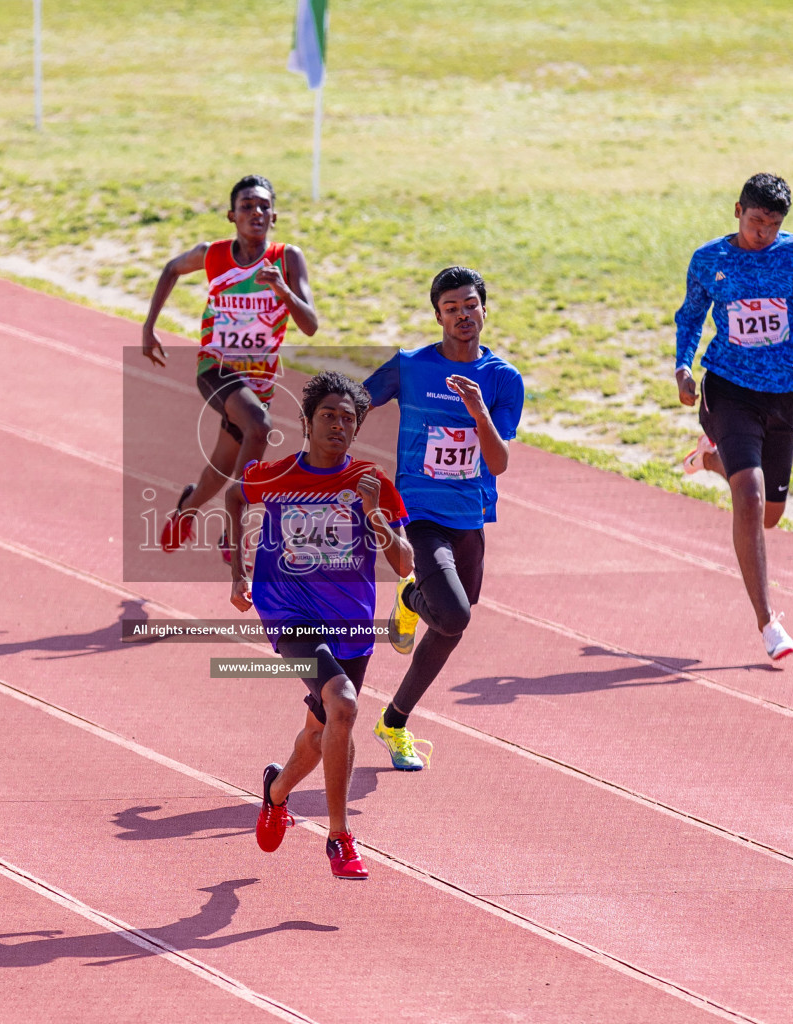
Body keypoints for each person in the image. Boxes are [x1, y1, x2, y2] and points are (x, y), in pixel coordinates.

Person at [226, 372, 412, 879]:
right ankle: (339, 837)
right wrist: (238, 569)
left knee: (323, 730)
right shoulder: (276, 475)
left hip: (349, 620)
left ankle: (276, 791)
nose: (337, 424)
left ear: (356, 430)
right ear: (307, 422)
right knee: (344, 703)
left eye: (347, 419)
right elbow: (236, 496)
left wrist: (373, 513)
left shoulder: (372, 482)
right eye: (327, 415)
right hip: (289, 613)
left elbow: (403, 563)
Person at [675, 173, 793, 662]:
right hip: (727, 387)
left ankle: (711, 463)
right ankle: (768, 623)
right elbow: (690, 316)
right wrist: (683, 367)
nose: (762, 233)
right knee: (748, 496)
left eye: (772, 225)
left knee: (768, 516)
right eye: (755, 222)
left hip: (784, 392)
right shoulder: (710, 260)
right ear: (737, 211)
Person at [362, 267, 524, 771]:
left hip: (469, 513)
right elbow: (356, 401)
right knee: (453, 614)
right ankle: (412, 597)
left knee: (453, 622)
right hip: (420, 507)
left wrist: (478, 411)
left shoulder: (502, 379)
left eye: (470, 305)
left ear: (484, 309)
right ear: (437, 316)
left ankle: (393, 721)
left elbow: (497, 463)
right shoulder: (411, 367)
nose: (462, 315)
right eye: (451, 308)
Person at [142, 174, 319, 559]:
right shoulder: (213, 255)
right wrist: (149, 326)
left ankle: (187, 507)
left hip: (260, 380)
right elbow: (172, 268)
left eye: (263, 206)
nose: (256, 212)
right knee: (260, 427)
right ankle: (233, 528)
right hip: (215, 367)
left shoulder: (288, 258)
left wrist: (282, 290)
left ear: (274, 216)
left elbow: (310, 325)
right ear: (231, 215)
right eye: (246, 206)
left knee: (222, 467)